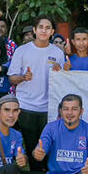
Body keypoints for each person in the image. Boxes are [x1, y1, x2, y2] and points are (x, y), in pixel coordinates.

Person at [8, 17, 67, 158]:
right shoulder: (22, 51)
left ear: (52, 32)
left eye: (47, 28)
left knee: (48, 147)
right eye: (40, 27)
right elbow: (11, 78)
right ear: (34, 30)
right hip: (26, 106)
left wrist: (61, 73)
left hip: (49, 107)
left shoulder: (58, 53)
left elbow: (64, 80)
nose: (43, 30)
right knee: (31, 146)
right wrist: (23, 77)